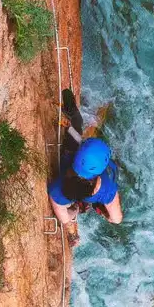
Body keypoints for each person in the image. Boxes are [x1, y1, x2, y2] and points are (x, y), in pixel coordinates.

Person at [48, 89, 123, 247]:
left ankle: (73, 224)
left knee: (77, 123)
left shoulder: (58, 189)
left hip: (72, 195)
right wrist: (107, 216)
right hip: (92, 197)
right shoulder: (106, 190)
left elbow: (62, 214)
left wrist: (70, 220)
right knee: (76, 125)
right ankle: (79, 211)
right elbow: (117, 219)